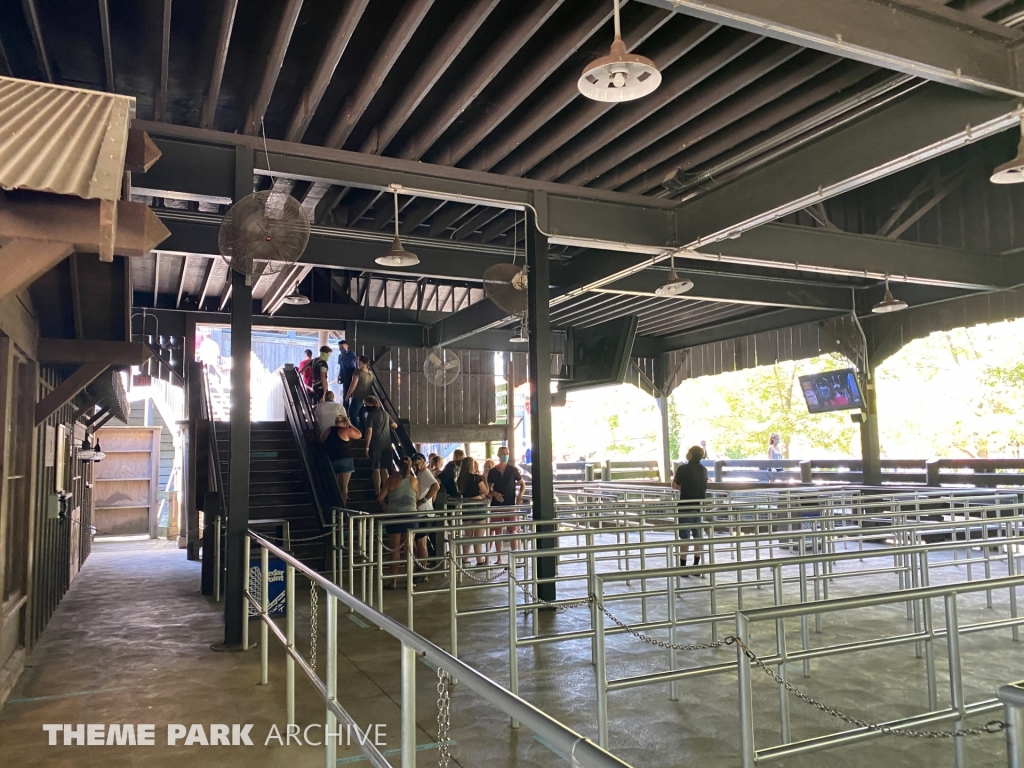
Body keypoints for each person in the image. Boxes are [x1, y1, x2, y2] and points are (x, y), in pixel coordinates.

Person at [377, 458, 420, 588]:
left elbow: (380, 498)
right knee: (409, 550)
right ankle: (409, 581)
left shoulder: (391, 480)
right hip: (411, 517)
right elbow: (416, 498)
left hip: (394, 517)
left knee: (394, 550)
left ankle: (393, 581)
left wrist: (385, 506)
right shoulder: (414, 480)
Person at [487, 446, 526, 565]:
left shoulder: (513, 470)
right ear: (498, 455)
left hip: (510, 503)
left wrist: (519, 496)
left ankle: (516, 557)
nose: (505, 455)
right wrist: (494, 494)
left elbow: (522, 484)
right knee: (497, 530)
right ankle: (499, 558)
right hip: (496, 505)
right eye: (503, 453)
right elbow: (487, 489)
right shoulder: (493, 471)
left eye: (507, 453)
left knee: (513, 530)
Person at [672, 445, 708, 572]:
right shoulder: (704, 469)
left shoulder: (683, 468)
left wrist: (682, 487)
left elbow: (674, 484)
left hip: (685, 505)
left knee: (684, 537)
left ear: (691, 455)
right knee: (698, 536)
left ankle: (683, 566)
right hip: (699, 506)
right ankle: (696, 565)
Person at [319, 414, 361, 507]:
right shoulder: (346, 430)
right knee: (344, 486)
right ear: (345, 422)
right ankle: (342, 507)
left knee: (335, 484)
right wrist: (350, 425)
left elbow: (321, 440)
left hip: (332, 459)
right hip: (346, 459)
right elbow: (359, 435)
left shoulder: (328, 430)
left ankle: (333, 504)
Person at [456, 456, 490, 566]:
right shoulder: (476, 478)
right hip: (478, 507)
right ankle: (480, 560)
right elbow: (485, 491)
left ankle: (465, 560)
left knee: (467, 535)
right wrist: (485, 478)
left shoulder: (460, 479)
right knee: (478, 536)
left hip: (466, 507)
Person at [363, 396, 397, 495]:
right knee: (384, 469)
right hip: (387, 444)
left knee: (376, 469)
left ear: (370, 404)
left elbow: (369, 432)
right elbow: (395, 425)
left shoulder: (371, 415)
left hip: (376, 444)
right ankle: (387, 491)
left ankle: (378, 491)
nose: (365, 406)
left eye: (366, 404)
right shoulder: (385, 413)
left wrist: (366, 447)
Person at [345, 356, 375, 430]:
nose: (357, 363)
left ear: (361, 362)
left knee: (352, 413)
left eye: (358, 361)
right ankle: (364, 431)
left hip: (358, 396)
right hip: (367, 397)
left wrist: (347, 395)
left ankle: (356, 430)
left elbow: (353, 385)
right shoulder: (370, 373)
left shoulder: (358, 372)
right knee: (362, 414)